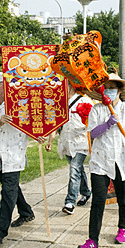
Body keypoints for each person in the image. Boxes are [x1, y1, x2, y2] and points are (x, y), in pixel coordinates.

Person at [78, 72, 125, 248]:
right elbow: (92, 133)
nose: (109, 92)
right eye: (106, 88)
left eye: (112, 88)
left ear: (119, 90)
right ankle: (93, 240)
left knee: (123, 199)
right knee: (98, 200)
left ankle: (122, 228)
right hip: (101, 160)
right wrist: (107, 124)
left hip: (122, 159)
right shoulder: (97, 110)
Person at [0, 71, 46, 245]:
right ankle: (26, 212)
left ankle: (0, 231)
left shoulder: (21, 106)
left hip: (14, 156)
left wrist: (40, 136)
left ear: (6, 86)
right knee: (11, 189)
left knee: (7, 193)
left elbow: (33, 128)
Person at [46, 80, 93, 215]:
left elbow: (92, 122)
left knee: (74, 170)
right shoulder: (59, 103)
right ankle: (86, 192)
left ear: (71, 86)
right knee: (77, 170)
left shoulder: (85, 101)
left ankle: (70, 202)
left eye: (63, 86)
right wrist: (50, 141)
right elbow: (55, 124)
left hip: (81, 142)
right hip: (66, 142)